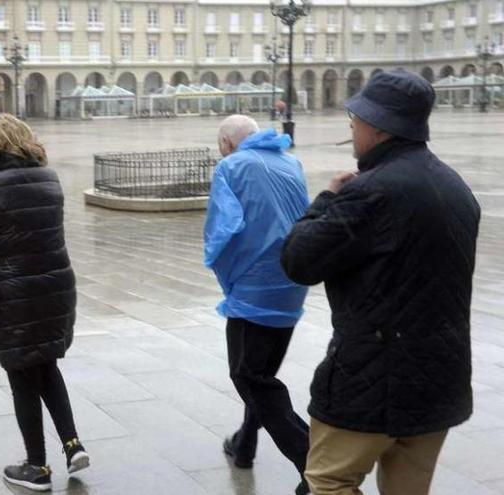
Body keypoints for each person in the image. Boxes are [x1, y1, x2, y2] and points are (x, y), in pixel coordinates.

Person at [281, 70, 481, 495]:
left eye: (354, 125)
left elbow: (298, 261)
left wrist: (327, 200)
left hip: (372, 380)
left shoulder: (371, 191)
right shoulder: (455, 186)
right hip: (438, 380)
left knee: (329, 481)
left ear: (375, 127)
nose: (352, 134)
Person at [0, 114, 88, 492]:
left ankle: (37, 467)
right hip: (57, 284)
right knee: (45, 363)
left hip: (14, 290)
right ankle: (72, 443)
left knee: (21, 376)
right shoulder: (50, 177)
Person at [204, 115, 311, 495]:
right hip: (293, 282)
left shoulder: (231, 166)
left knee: (249, 377)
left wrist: (228, 280)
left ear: (227, 143)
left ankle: (312, 461)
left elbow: (223, 230)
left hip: (256, 288)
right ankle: (244, 444)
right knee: (261, 373)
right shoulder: (290, 161)